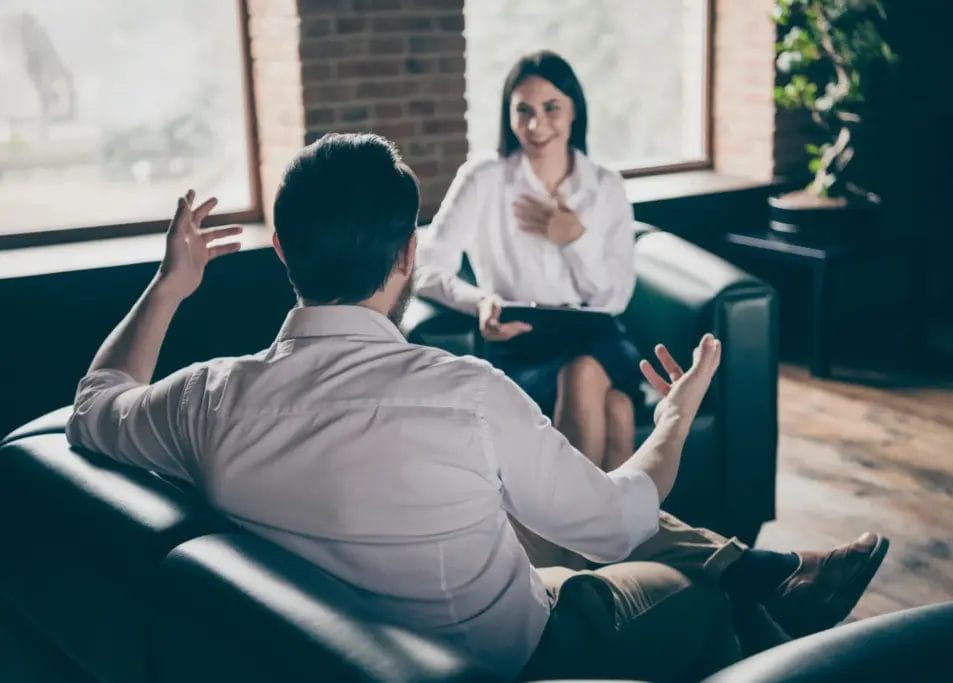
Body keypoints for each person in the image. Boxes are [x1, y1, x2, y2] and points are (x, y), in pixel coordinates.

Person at [66, 133, 888, 681]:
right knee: (694, 590)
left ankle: (775, 575)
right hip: (517, 651)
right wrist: (673, 415)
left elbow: (95, 402)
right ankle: (784, 613)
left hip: (354, 637)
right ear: (408, 254)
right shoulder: (463, 394)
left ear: (282, 250)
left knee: (533, 508)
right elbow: (618, 521)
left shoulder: (211, 398)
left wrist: (170, 283)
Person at [415, 51, 642, 471]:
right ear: (509, 115)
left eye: (551, 108)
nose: (536, 126)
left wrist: (575, 239)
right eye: (524, 111)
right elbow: (426, 268)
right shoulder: (484, 178)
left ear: (574, 110)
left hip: (598, 337)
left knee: (584, 376)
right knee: (617, 411)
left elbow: (615, 297)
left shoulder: (605, 186)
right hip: (519, 343)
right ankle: (613, 532)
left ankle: (571, 532)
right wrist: (481, 302)